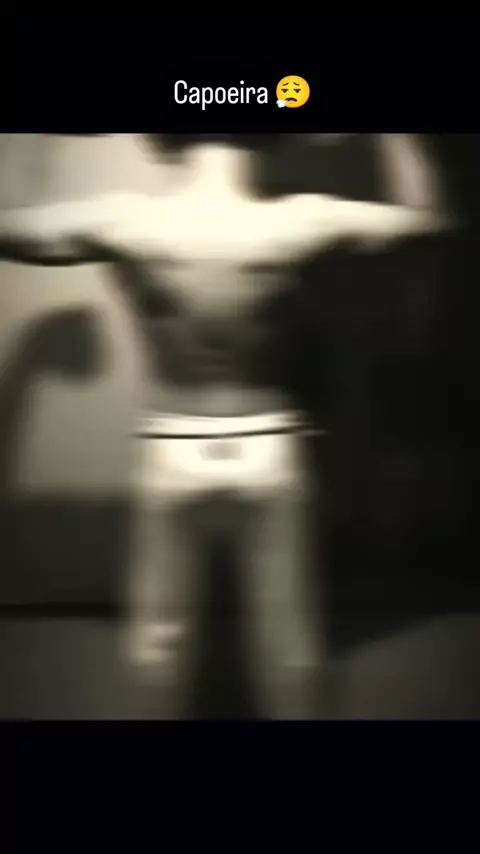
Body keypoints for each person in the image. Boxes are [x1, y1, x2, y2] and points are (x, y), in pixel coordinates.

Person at [0, 133, 448, 718]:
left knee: (160, 644)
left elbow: (11, 231)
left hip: (173, 446)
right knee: (290, 645)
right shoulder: (307, 220)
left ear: (164, 143)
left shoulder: (124, 220)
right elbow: (429, 226)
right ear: (271, 143)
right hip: (269, 446)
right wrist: (410, 140)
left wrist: (37, 150)